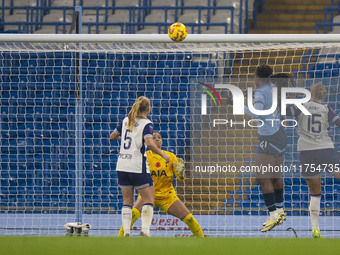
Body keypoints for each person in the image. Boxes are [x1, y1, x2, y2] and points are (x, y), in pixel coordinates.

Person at [117, 131, 204, 237]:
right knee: (133, 214)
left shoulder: (170, 156)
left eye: (159, 137)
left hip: (167, 195)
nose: (157, 139)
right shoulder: (143, 156)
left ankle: (201, 239)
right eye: (154, 137)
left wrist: (181, 173)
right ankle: (120, 238)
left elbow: (181, 178)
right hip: (147, 193)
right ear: (148, 141)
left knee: (189, 219)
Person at [110, 96, 170, 237]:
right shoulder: (147, 123)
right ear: (148, 108)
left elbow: (112, 136)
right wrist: (163, 154)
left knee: (127, 201)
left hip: (122, 165)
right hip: (137, 165)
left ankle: (126, 232)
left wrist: (126, 135)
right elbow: (148, 142)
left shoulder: (126, 120)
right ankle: (145, 231)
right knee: (149, 199)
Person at [286, 83, 340, 238]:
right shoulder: (326, 109)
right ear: (323, 96)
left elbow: (283, 113)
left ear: (310, 94)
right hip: (325, 150)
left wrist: (288, 100)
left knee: (315, 193)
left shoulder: (301, 106)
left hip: (307, 151)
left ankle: (315, 229)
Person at [244, 65, 288, 232]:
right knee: (275, 176)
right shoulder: (275, 88)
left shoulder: (262, 91)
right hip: (280, 135)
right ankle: (280, 210)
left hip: (269, 136)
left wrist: (237, 104)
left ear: (258, 77)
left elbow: (256, 113)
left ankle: (273, 216)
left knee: (263, 178)